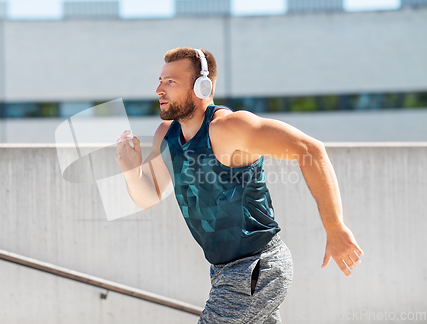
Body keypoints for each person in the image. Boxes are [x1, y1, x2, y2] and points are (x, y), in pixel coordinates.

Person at [115, 47, 363, 323]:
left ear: (202, 86)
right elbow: (149, 195)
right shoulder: (167, 134)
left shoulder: (229, 128)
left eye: (171, 82)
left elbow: (310, 149)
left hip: (255, 266)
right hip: (223, 270)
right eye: (160, 81)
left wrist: (334, 225)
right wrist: (131, 171)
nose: (160, 90)